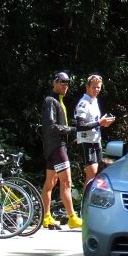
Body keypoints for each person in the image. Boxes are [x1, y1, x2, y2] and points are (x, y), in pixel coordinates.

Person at [41, 71, 81, 229]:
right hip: (57, 147)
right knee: (67, 182)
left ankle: (46, 216)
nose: (65, 85)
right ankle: (72, 217)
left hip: (54, 147)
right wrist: (71, 130)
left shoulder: (58, 101)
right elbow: (51, 126)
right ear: (55, 83)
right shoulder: (50, 101)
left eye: (67, 83)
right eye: (62, 82)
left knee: (51, 182)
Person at [74, 74, 115, 194]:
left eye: (99, 87)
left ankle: (95, 201)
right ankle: (84, 205)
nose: (97, 90)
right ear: (87, 86)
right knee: (91, 175)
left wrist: (103, 123)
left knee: (99, 174)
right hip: (86, 142)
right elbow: (79, 126)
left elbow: (95, 123)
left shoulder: (94, 101)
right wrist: (98, 122)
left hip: (96, 141)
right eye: (94, 87)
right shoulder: (83, 103)